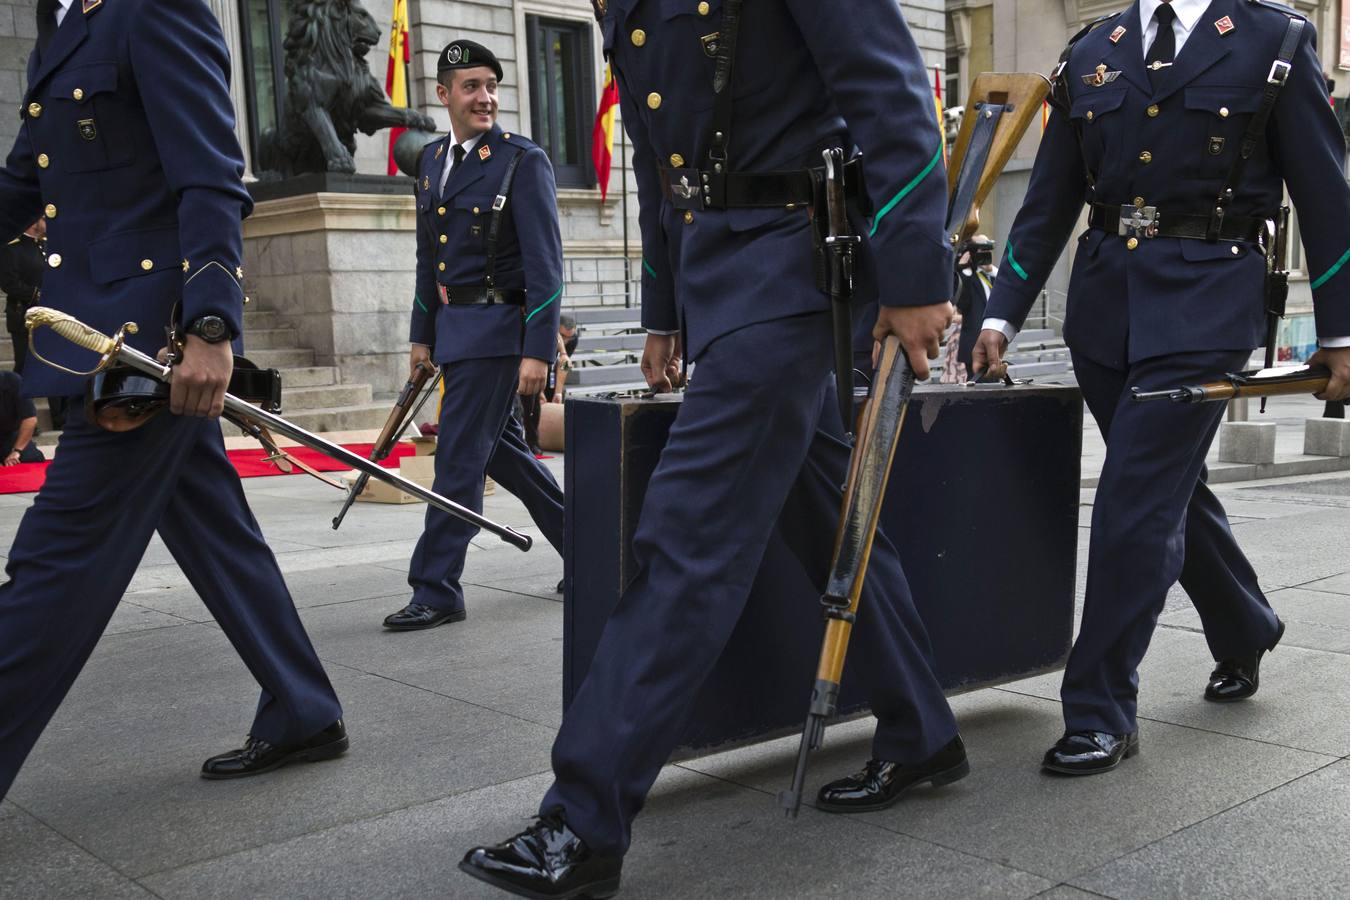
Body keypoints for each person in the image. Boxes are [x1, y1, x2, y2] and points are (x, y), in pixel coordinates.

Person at [460, 2, 966, 896]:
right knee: (822, 510)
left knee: (689, 540)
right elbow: (666, 161)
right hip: (724, 276)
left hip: (796, 269)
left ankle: (584, 818)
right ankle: (922, 729)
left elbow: (888, 89)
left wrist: (918, 272)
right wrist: (665, 307)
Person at [974, 0, 1350, 775]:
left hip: (1208, 307)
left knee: (1132, 504)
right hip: (1104, 317)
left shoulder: (1276, 39)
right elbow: (1049, 201)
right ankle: (1245, 626)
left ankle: (1099, 708)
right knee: (1168, 491)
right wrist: (1001, 315)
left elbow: (1327, 197)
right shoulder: (1091, 51)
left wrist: (1343, 333)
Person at [0, 0, 348, 802]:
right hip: (90, 330)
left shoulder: (151, 7)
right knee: (213, 527)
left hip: (141, 349)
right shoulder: (64, 29)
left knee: (53, 568)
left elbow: (209, 178)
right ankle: (302, 706)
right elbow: (26, 181)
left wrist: (211, 325)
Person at [387, 40, 566, 631]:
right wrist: (421, 335)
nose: (485, 97)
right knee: (505, 457)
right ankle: (598, 552)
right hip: (456, 333)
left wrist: (538, 349)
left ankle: (436, 587)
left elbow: (545, 265)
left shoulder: (521, 160)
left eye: (491, 85)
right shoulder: (432, 161)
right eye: (471, 86)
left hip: (497, 333)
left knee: (459, 460)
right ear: (444, 95)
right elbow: (426, 262)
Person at [1, 218, 45, 374]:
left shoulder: (43, 245)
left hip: (48, 317)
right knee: (24, 365)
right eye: (42, 218)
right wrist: (37, 295)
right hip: (23, 316)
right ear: (33, 222)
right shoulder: (12, 248)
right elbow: (9, 283)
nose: (45, 222)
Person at [0, 370, 44, 465]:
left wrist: (17, 451)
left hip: (10, 433)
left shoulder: (13, 381)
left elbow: (30, 418)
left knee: (30, 458)